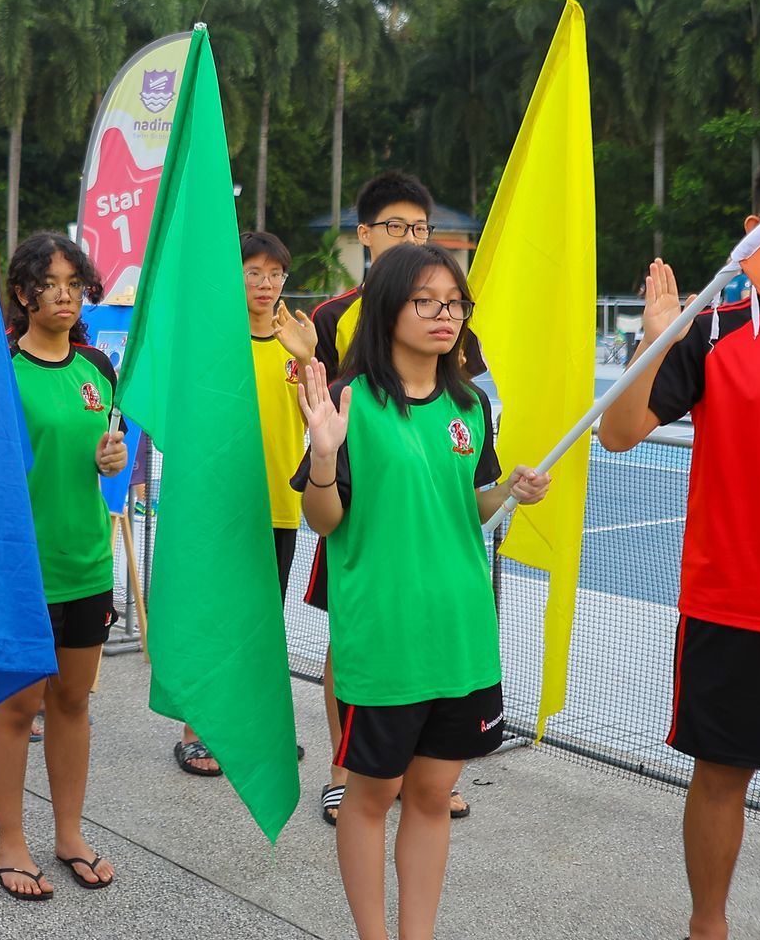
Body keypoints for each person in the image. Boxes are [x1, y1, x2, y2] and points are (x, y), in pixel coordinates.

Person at [597, 150, 760, 940]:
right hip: (738, 599)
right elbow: (620, 432)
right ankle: (709, 927)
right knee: (722, 776)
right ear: (756, 231)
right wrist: (657, 338)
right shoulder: (717, 324)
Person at [294, 243, 546, 940]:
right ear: (389, 308)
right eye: (426, 301)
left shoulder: (470, 405)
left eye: (455, 303)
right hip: (383, 640)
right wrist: (321, 457)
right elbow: (325, 520)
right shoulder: (349, 403)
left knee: (433, 796)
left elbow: (474, 506)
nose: (445, 316)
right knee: (369, 798)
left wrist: (510, 493)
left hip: (462, 637)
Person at [306, 171, 485, 824]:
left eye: (419, 228)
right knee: (349, 633)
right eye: (396, 228)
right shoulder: (334, 316)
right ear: (366, 235)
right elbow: (327, 406)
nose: (410, 237)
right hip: (360, 509)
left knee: (429, 634)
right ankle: (344, 766)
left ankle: (429, 771)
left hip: (429, 516)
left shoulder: (450, 317)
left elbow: (462, 398)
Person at [0, 232, 129, 900]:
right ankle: (9, 842)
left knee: (72, 701)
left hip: (88, 564)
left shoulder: (97, 368)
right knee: (16, 707)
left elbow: (107, 453)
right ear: (22, 293)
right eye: (51, 283)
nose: (66, 295)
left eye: (75, 282)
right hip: (20, 572)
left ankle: (68, 832)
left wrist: (114, 463)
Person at [172, 231, 318, 778]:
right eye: (252, 272)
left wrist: (307, 361)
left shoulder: (295, 343)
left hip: (279, 506)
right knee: (215, 618)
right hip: (223, 507)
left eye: (275, 273)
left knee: (263, 624)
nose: (265, 283)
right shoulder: (216, 341)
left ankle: (253, 728)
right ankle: (196, 731)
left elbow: (318, 420)